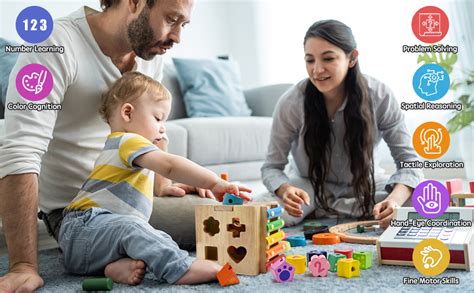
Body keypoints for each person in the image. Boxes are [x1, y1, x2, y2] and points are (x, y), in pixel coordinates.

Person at [0, 0, 216, 291]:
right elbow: (19, 151)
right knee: (208, 224)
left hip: (127, 202)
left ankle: (110, 261)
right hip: (76, 214)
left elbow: (151, 133)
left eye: (183, 24)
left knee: (220, 214)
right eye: (171, 19)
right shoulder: (51, 45)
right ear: (135, 3)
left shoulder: (150, 52)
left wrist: (162, 186)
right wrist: (23, 266)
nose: (177, 36)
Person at [59, 72, 251, 285]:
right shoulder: (128, 141)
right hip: (84, 227)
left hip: (90, 244)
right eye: (158, 118)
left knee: (151, 237)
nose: (163, 127)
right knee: (135, 229)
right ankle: (180, 268)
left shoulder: (120, 147)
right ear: (128, 113)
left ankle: (111, 268)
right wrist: (214, 182)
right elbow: (169, 165)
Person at [260, 20, 423, 228]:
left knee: (421, 203)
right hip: (308, 188)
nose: (317, 70)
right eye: (310, 60)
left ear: (352, 58)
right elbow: (271, 167)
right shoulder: (292, 102)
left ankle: (330, 209)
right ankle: (336, 208)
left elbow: (410, 162)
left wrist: (395, 201)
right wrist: (284, 190)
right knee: (261, 215)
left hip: (365, 186)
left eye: (328, 58)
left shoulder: (380, 95)